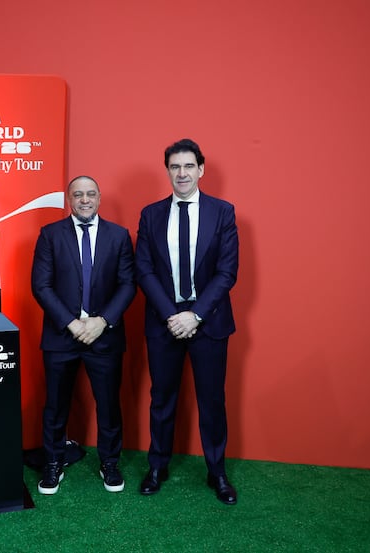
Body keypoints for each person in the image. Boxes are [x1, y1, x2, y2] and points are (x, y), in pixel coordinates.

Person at [135, 138, 239, 504]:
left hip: (208, 321)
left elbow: (227, 273)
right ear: (168, 171)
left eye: (188, 166)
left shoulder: (222, 212)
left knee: (212, 400)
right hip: (164, 321)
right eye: (175, 167)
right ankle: (157, 467)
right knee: (162, 398)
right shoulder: (150, 214)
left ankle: (217, 473)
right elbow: (144, 270)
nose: (182, 173)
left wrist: (194, 315)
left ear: (201, 170)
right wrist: (172, 315)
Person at [31, 175, 136, 495]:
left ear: (100, 197)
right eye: (78, 195)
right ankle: (53, 462)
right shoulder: (49, 235)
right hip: (62, 335)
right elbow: (41, 285)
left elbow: (128, 284)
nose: (85, 200)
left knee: (108, 405)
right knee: (55, 405)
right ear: (69, 199)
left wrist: (102, 321)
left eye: (91, 194)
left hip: (104, 335)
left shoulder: (119, 236)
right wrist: (72, 323)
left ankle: (110, 463)